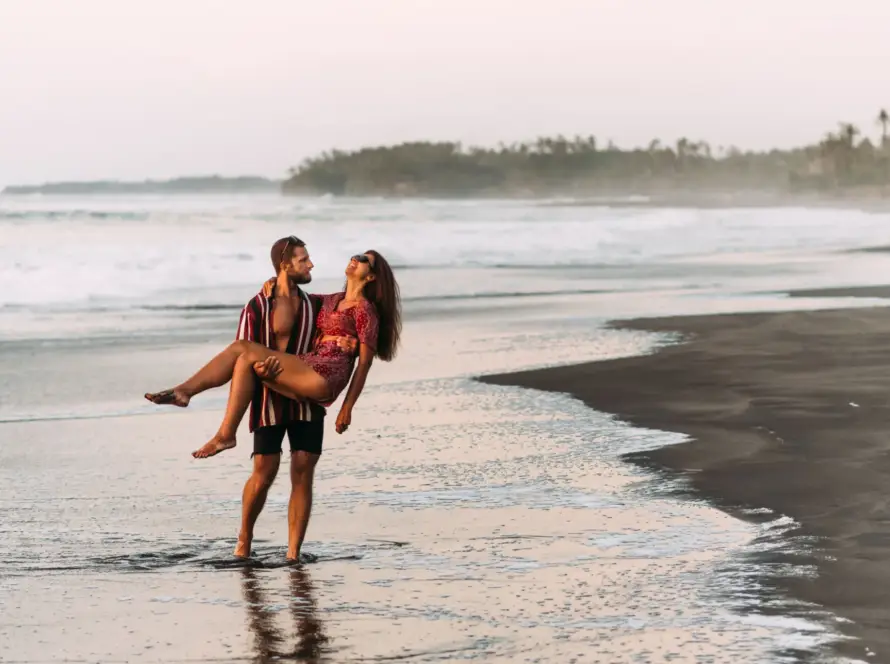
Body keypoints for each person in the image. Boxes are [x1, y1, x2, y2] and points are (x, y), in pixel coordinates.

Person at [146, 241, 402, 559]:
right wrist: (275, 283)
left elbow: (363, 363)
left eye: (364, 259)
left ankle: (198, 405)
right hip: (298, 376)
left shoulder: (366, 311)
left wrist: (347, 407)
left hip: (323, 378)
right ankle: (246, 538)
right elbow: (293, 296)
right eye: (356, 254)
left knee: (243, 350)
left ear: (372, 277)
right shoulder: (327, 301)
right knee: (247, 363)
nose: (355, 258)